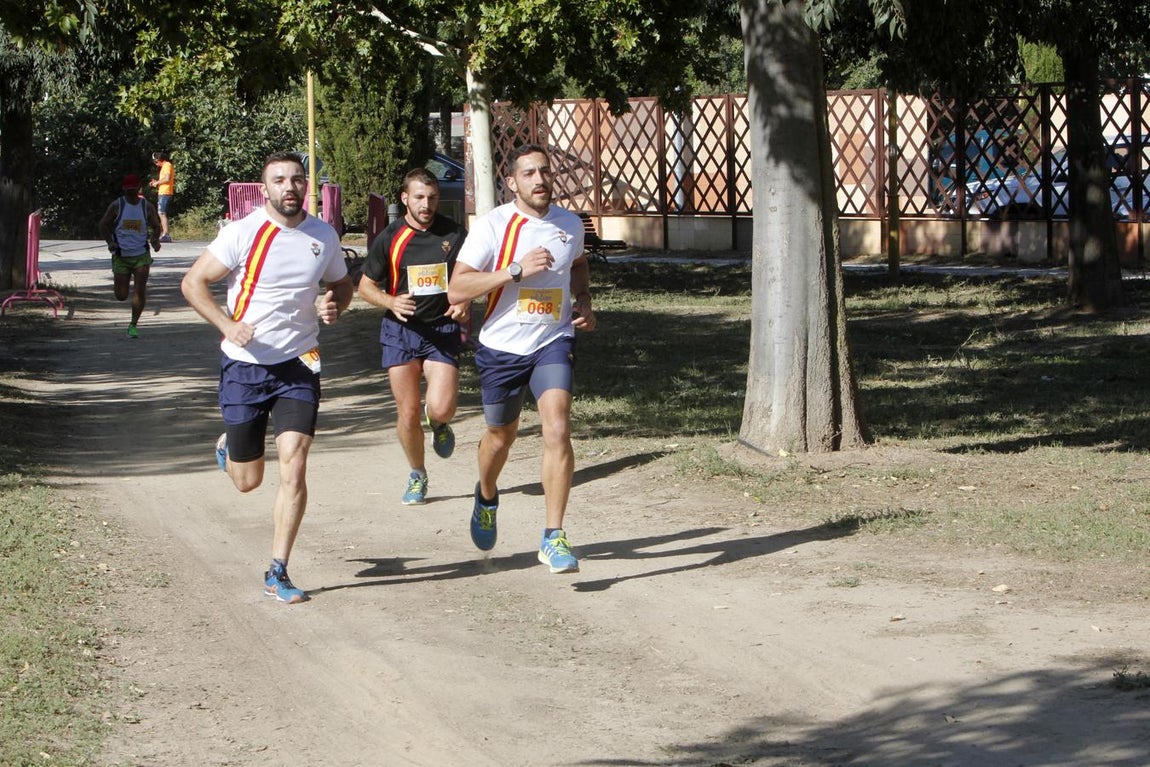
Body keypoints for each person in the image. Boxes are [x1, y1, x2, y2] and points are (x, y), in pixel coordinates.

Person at [180, 151, 353, 604]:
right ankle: (228, 445)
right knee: (247, 481)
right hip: (245, 364)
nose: (290, 187)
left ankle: (278, 569)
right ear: (265, 190)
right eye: (280, 180)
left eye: (297, 179)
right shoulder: (242, 233)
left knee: (295, 464)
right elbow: (192, 283)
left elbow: (342, 284)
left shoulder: (323, 236)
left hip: (300, 363)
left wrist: (334, 305)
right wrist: (227, 324)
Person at [447, 143, 597, 574]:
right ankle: (488, 494)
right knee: (500, 436)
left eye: (545, 171)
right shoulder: (494, 225)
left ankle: (553, 535)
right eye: (528, 173)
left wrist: (584, 299)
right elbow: (457, 289)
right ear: (512, 182)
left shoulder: (570, 223)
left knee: (558, 426)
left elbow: (579, 265)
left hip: (552, 339)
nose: (539, 179)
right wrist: (515, 270)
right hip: (502, 348)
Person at [358, 167, 469, 505]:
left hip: (441, 329)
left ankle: (438, 423)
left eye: (432, 198)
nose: (426, 204)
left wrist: (464, 301)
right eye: (419, 197)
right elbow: (364, 286)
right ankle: (418, 473)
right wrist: (390, 301)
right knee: (407, 412)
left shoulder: (455, 234)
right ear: (405, 198)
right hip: (400, 331)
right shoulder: (391, 238)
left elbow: (471, 276)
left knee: (442, 407)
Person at [98, 173, 161, 338]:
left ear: (138, 188)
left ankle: (133, 324)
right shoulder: (117, 205)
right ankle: (120, 284)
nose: (131, 193)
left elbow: (156, 225)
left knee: (140, 290)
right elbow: (103, 224)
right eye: (128, 190)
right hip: (121, 255)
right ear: (124, 190)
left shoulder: (146, 206)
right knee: (121, 295)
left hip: (141, 255)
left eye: (134, 190)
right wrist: (110, 242)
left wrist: (155, 240)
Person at [149, 151, 175, 242]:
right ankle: (164, 233)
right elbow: (164, 179)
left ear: (159, 160)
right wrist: (156, 183)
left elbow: (167, 178)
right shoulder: (164, 166)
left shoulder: (167, 165)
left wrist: (156, 183)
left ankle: (166, 234)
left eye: (156, 162)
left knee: (162, 213)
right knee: (161, 213)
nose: (156, 164)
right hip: (163, 192)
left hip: (165, 192)